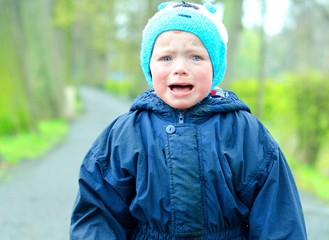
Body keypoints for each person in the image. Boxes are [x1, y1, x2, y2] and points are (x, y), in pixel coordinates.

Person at [70, 1, 307, 239]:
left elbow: (277, 218)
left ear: (215, 67)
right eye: (166, 58)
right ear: (149, 67)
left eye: (195, 57)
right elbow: (98, 214)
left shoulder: (245, 133)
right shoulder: (127, 134)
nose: (180, 68)